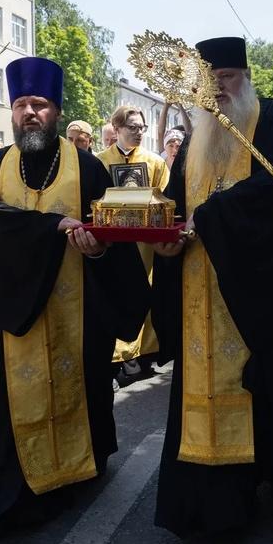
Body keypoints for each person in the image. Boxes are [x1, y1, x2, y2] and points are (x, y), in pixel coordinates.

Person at [150, 35, 273, 539]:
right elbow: (174, 205)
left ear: (246, 78)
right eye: (209, 80)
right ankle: (211, 497)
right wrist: (166, 239)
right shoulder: (195, 138)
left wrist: (209, 217)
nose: (218, 88)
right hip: (199, 290)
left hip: (262, 287)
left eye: (227, 78)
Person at [0, 56, 148, 538]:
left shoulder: (89, 168)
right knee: (6, 405)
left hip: (77, 312)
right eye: (21, 104)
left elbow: (111, 237)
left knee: (82, 389)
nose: (29, 113)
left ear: (56, 110)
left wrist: (98, 249)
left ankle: (77, 466)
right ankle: (8, 484)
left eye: (39, 104)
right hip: (11, 311)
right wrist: (50, 227)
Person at [98, 105, 169, 384]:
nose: (138, 132)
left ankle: (144, 355)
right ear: (116, 129)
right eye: (132, 127)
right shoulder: (99, 162)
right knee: (117, 294)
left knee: (145, 293)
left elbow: (166, 198)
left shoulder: (155, 162)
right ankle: (118, 356)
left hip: (146, 244)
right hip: (113, 244)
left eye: (142, 128)